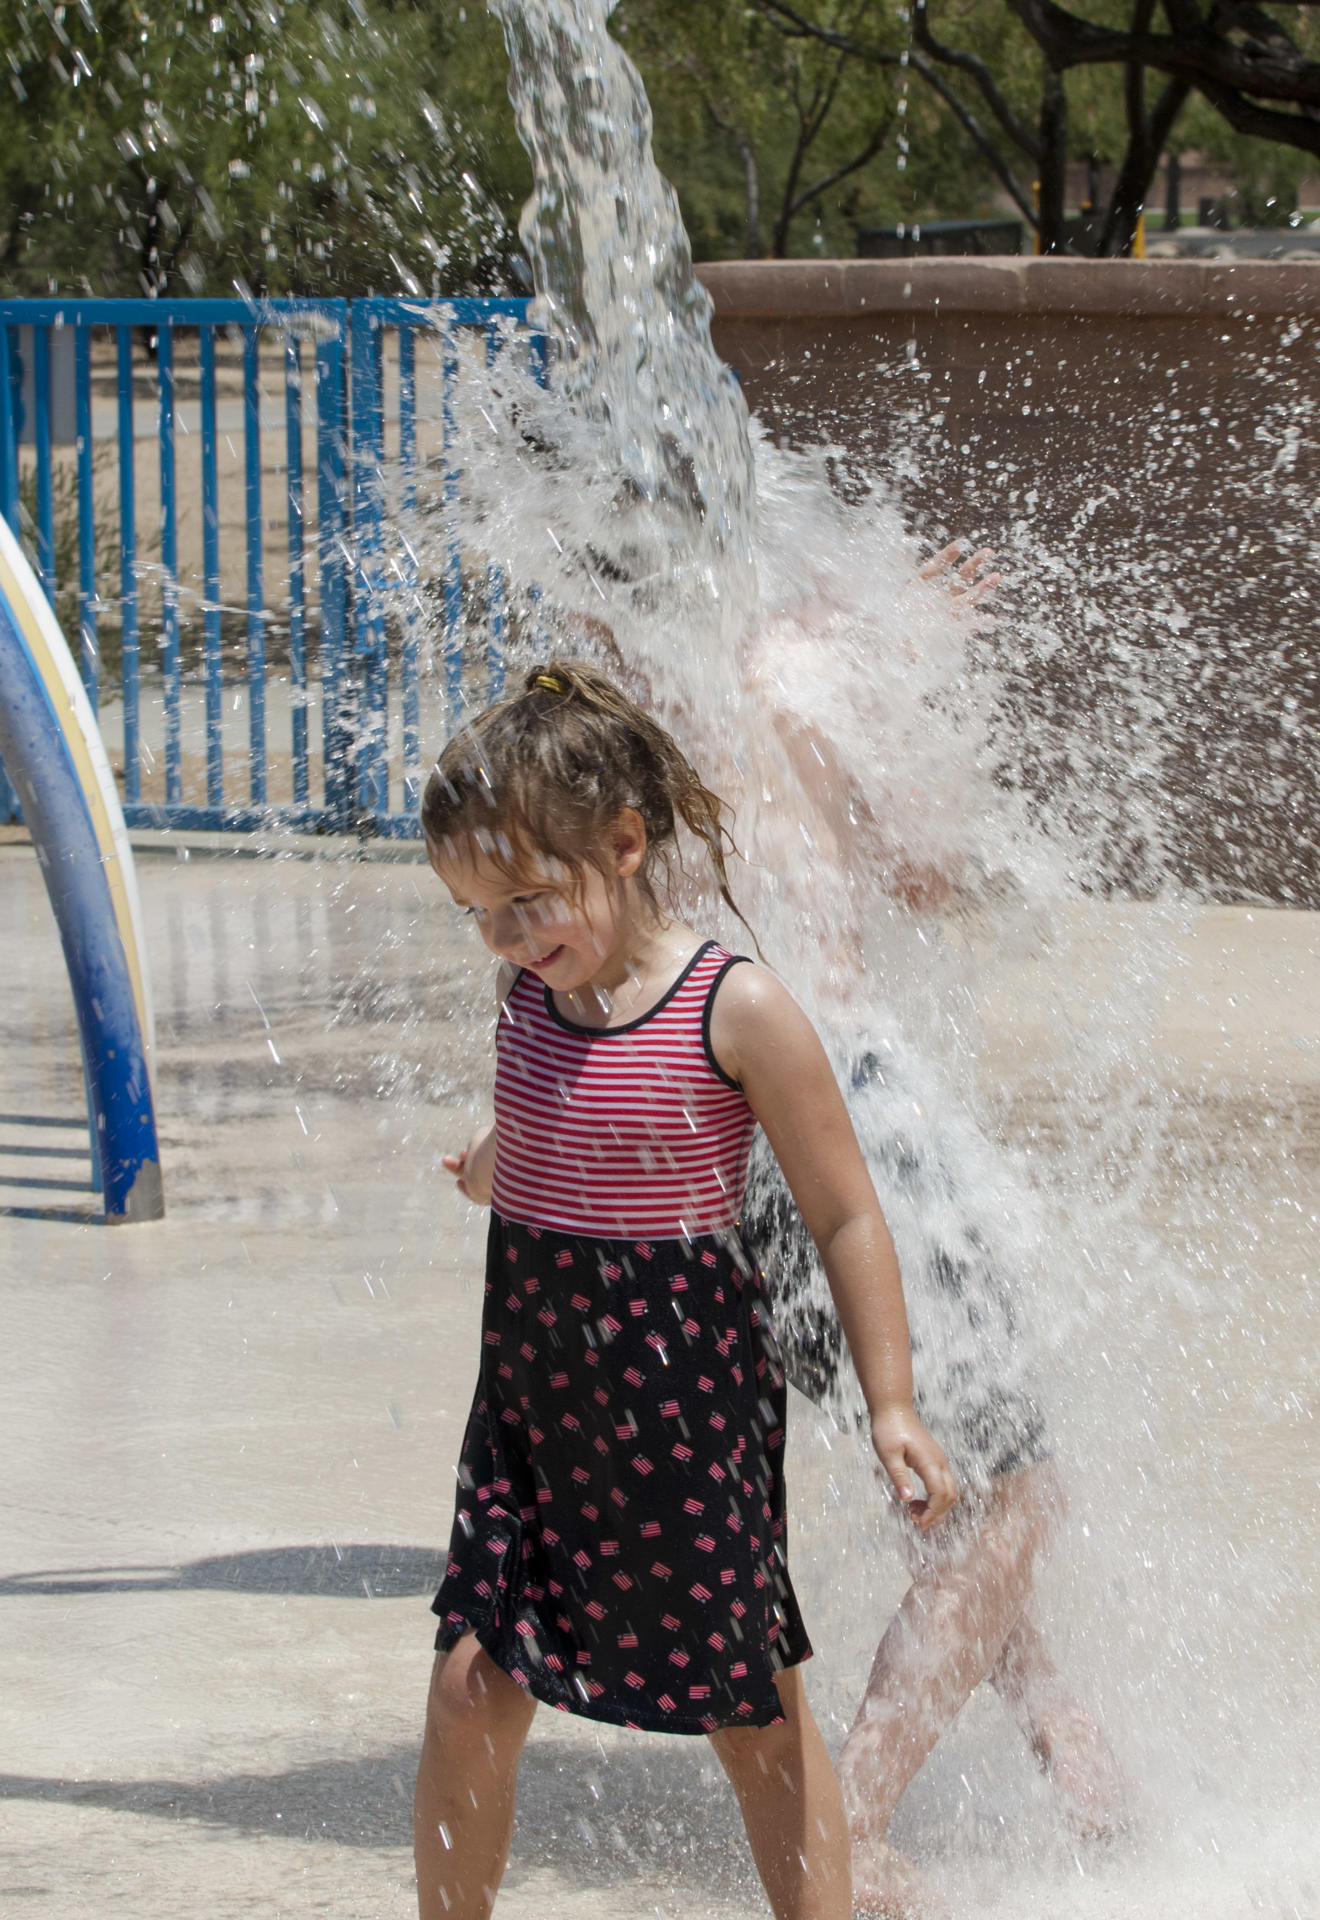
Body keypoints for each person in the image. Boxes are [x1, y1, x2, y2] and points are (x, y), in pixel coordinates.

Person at [411, 658, 958, 1920]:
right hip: (536, 1405)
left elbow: (843, 1213)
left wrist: (891, 1402)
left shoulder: (737, 1009)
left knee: (750, 1717)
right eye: (481, 915)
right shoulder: (531, 992)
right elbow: (558, 1116)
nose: (510, 938)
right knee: (468, 1686)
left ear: (625, 840)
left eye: (530, 902)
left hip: (679, 1408)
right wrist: (500, 1163)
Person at [737, 545, 1130, 1917]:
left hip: (738, 1133)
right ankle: (846, 1825)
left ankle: (1065, 1737)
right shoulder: (782, 649)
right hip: (841, 1104)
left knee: (954, 1467)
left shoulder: (617, 684)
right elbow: (927, 870)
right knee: (1012, 1495)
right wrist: (905, 673)